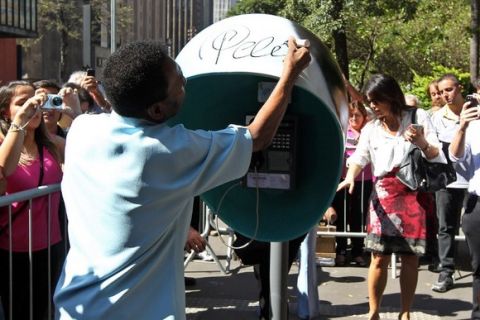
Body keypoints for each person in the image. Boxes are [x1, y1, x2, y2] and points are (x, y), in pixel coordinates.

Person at [53, 39, 311, 319]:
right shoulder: (167, 151)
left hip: (76, 307)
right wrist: (290, 74)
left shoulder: (83, 129)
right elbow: (258, 137)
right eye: (180, 83)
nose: (185, 82)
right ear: (156, 111)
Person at [337, 74, 446, 320]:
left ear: (391, 96)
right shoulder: (372, 127)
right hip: (384, 194)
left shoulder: (417, 117)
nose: (373, 106)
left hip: (413, 193)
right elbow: (359, 157)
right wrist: (351, 176)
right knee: (378, 257)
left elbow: (436, 153)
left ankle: (405, 312)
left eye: (377, 100)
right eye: (370, 101)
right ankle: (373, 312)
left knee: (410, 257)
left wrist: (420, 141)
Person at [0, 81, 64, 320]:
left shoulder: (50, 144)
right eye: (22, 103)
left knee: (44, 310)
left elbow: (85, 150)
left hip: (52, 245)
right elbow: (5, 169)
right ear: (5, 111)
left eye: (35, 102)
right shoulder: (2, 141)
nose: (32, 108)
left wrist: (72, 109)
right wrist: (20, 123)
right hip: (14, 250)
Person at [429, 74, 469, 292]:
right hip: (447, 180)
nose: (446, 95)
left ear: (459, 88)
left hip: (473, 180)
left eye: (450, 90)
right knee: (446, 226)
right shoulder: (436, 118)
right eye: (442, 91)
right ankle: (446, 272)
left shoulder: (475, 110)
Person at [329, 101, 373, 267]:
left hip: (364, 180)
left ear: (364, 117)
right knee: (342, 214)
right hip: (343, 180)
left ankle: (357, 250)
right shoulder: (343, 132)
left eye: (358, 115)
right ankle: (341, 249)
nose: (354, 118)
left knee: (358, 216)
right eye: (351, 115)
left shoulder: (368, 132)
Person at [449, 93, 480, 320]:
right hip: (477, 205)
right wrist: (462, 127)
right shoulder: (473, 126)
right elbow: (455, 156)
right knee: (479, 268)